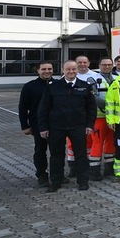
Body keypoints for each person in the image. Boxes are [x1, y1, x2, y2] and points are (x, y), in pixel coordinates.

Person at [38, 60, 96, 192]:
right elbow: (43, 109)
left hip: (78, 126)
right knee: (56, 155)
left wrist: (89, 125)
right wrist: (43, 127)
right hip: (56, 127)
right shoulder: (53, 86)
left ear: (77, 70)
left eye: (74, 69)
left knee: (81, 155)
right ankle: (56, 182)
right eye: (68, 69)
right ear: (63, 70)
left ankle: (83, 181)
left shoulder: (85, 86)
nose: (71, 72)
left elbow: (91, 108)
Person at [19, 61, 55, 187]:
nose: (47, 71)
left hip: (56, 124)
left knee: (57, 151)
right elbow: (22, 107)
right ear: (38, 70)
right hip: (37, 124)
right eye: (44, 69)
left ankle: (57, 174)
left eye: (49, 69)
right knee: (40, 150)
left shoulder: (59, 84)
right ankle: (42, 175)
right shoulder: (29, 87)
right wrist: (25, 126)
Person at [89, 58, 117, 181]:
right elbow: (92, 98)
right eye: (104, 65)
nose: (107, 67)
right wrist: (109, 105)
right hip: (99, 117)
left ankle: (109, 169)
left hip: (114, 117)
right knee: (97, 142)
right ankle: (94, 170)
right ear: (99, 65)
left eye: (109, 64)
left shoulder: (117, 78)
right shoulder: (92, 79)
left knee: (111, 142)